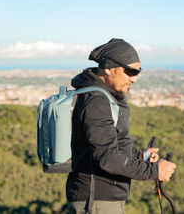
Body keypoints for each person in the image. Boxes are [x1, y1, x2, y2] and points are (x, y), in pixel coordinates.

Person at [66, 38, 176, 214]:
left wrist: (142, 157)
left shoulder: (104, 98)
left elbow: (112, 146)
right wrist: (153, 171)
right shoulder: (97, 101)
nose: (134, 79)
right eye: (130, 72)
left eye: (137, 73)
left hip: (101, 201)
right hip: (95, 203)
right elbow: (107, 158)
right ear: (109, 68)